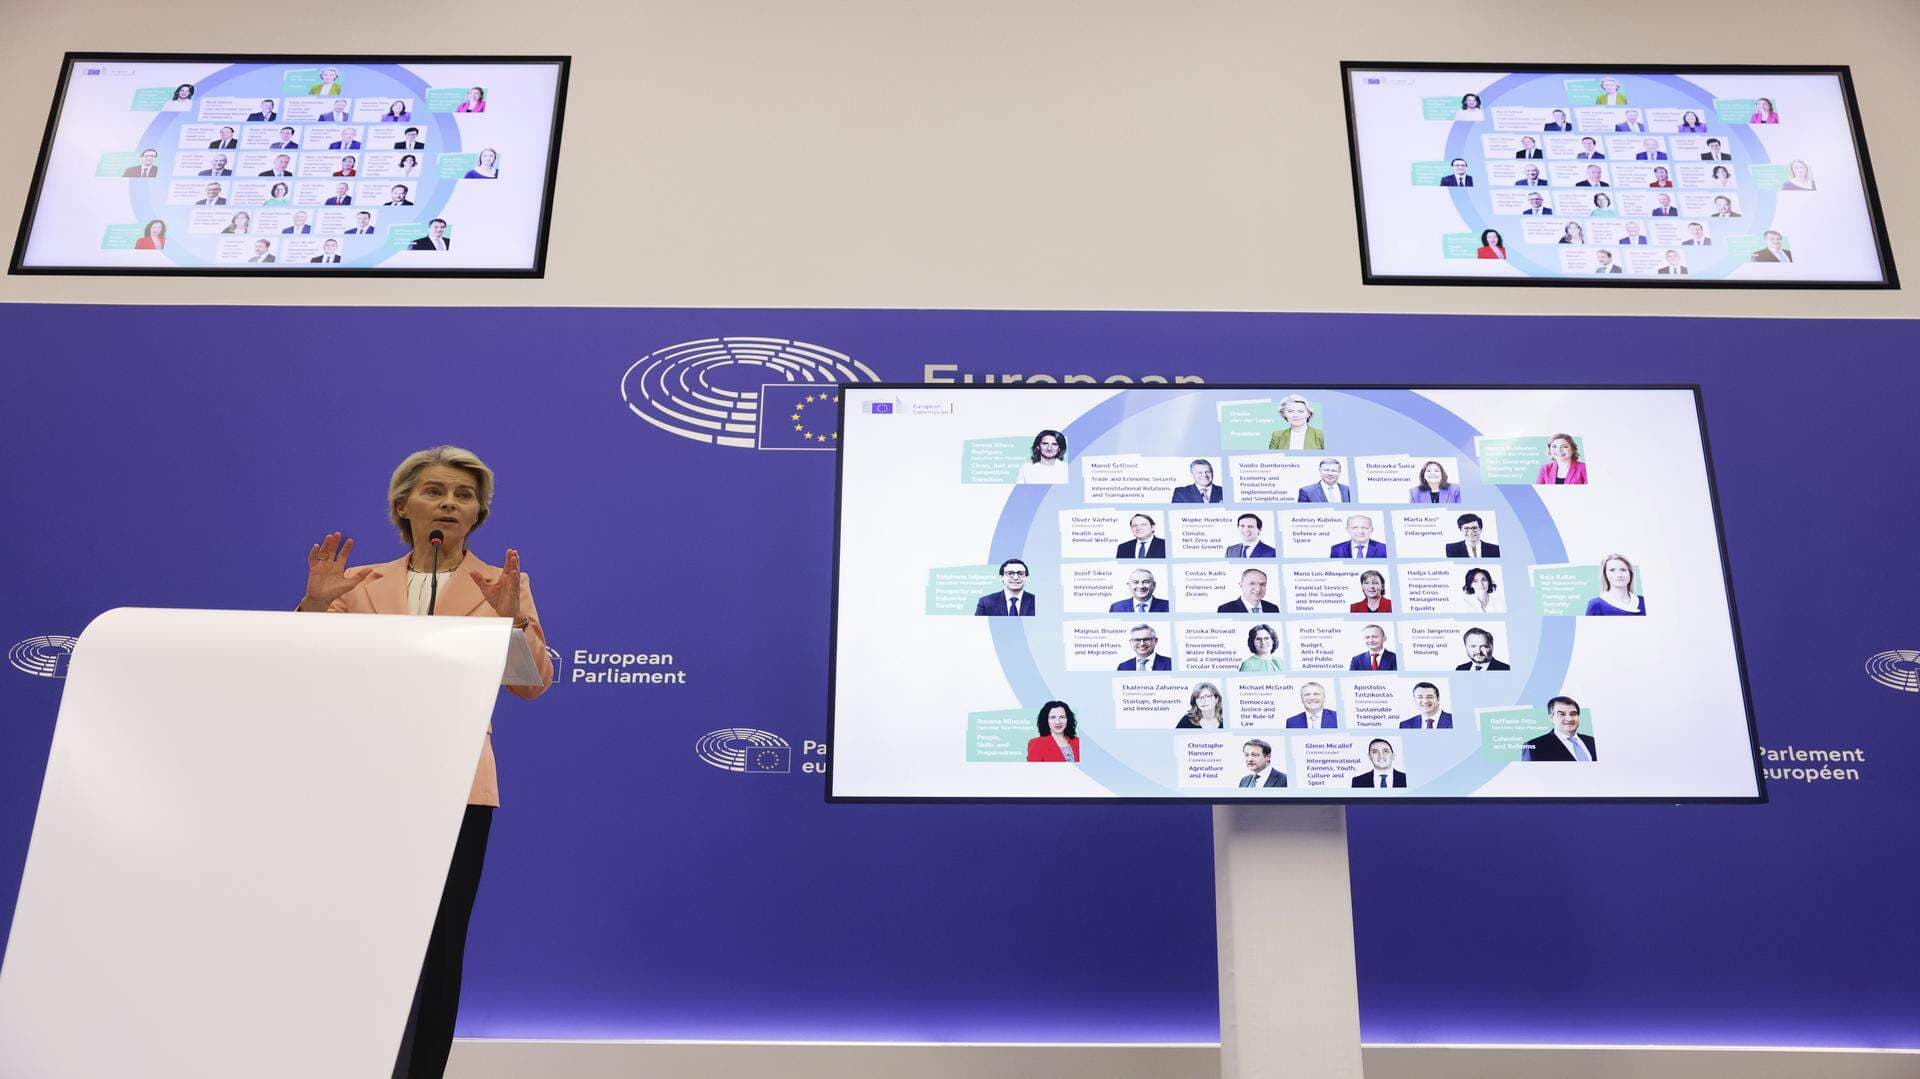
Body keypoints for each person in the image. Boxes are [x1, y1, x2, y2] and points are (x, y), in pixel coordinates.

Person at [296, 447, 552, 1079]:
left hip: (458, 789)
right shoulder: (359, 584)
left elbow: (532, 684)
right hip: (365, 784)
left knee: (438, 948)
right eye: (435, 491)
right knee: (357, 936)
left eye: (465, 496)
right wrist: (311, 608)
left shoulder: (503, 586)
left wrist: (512, 624)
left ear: (478, 514)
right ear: (403, 506)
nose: (450, 504)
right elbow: (303, 669)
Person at [1523, 696, 1596, 761]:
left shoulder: (1592, 741)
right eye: (1562, 714)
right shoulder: (1534, 746)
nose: (1569, 719)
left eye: (1573, 714)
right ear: (1551, 717)